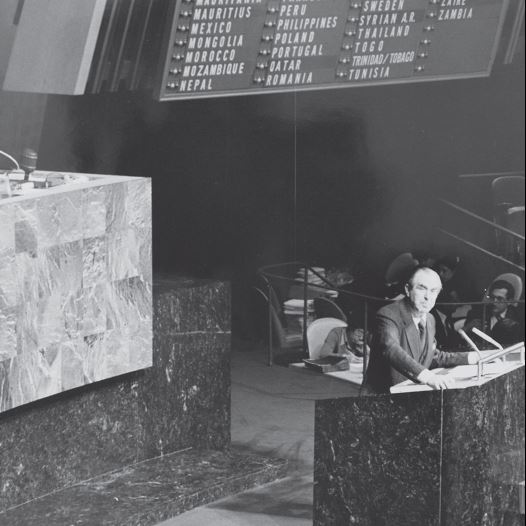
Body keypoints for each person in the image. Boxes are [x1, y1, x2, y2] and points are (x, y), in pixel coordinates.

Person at [364, 267, 481, 393]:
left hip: (411, 396)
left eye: (433, 291)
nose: (427, 297)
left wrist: (473, 357)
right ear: (407, 290)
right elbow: (391, 349)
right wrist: (429, 377)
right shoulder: (389, 314)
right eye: (421, 289)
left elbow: (432, 356)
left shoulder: (430, 319)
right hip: (382, 399)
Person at [463, 279, 524, 347]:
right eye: (492, 297)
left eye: (499, 299)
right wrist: (467, 328)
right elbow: (457, 343)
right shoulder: (476, 314)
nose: (494, 302)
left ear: (509, 301)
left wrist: (516, 329)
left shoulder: (519, 317)